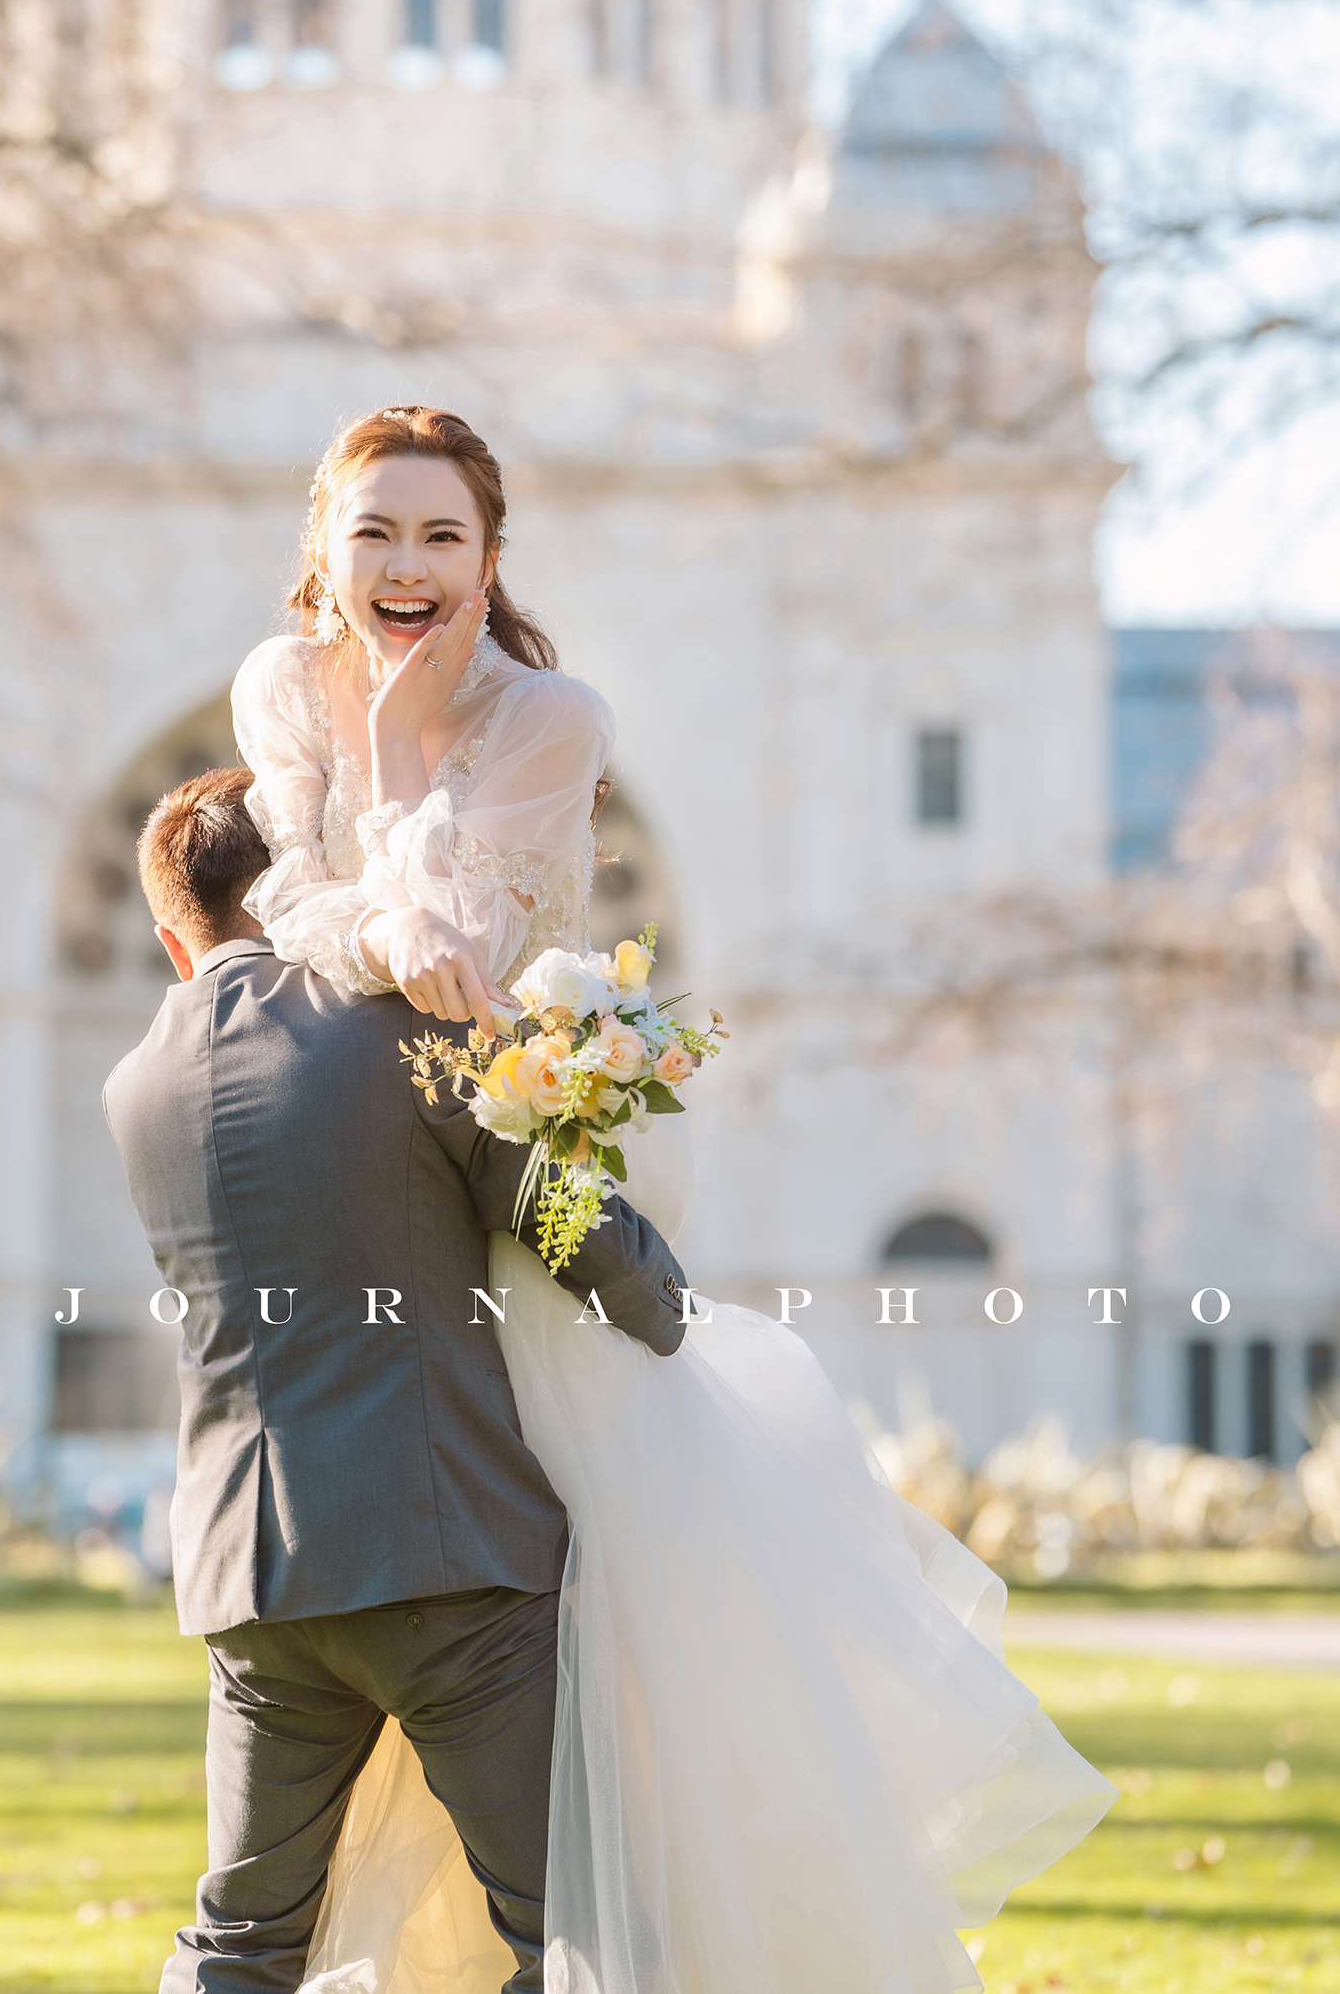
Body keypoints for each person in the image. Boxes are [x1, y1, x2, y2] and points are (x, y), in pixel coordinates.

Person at [228, 405, 1121, 1994]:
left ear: (492, 556)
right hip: (378, 1212)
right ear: (324, 546)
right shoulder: (280, 687)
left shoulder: (553, 718)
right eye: (375, 532)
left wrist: (388, 780)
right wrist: (364, 776)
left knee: (601, 1704)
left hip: (513, 1205)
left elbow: (454, 955)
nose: (409, 565)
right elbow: (300, 902)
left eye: (444, 536)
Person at [101, 764, 689, 1994]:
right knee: (575, 1927)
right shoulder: (398, 1028)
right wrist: (666, 1304)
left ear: (174, 934)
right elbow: (555, 1215)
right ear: (309, 881)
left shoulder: (134, 1086)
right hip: (443, 1557)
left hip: (252, 1573)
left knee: (242, 1945)